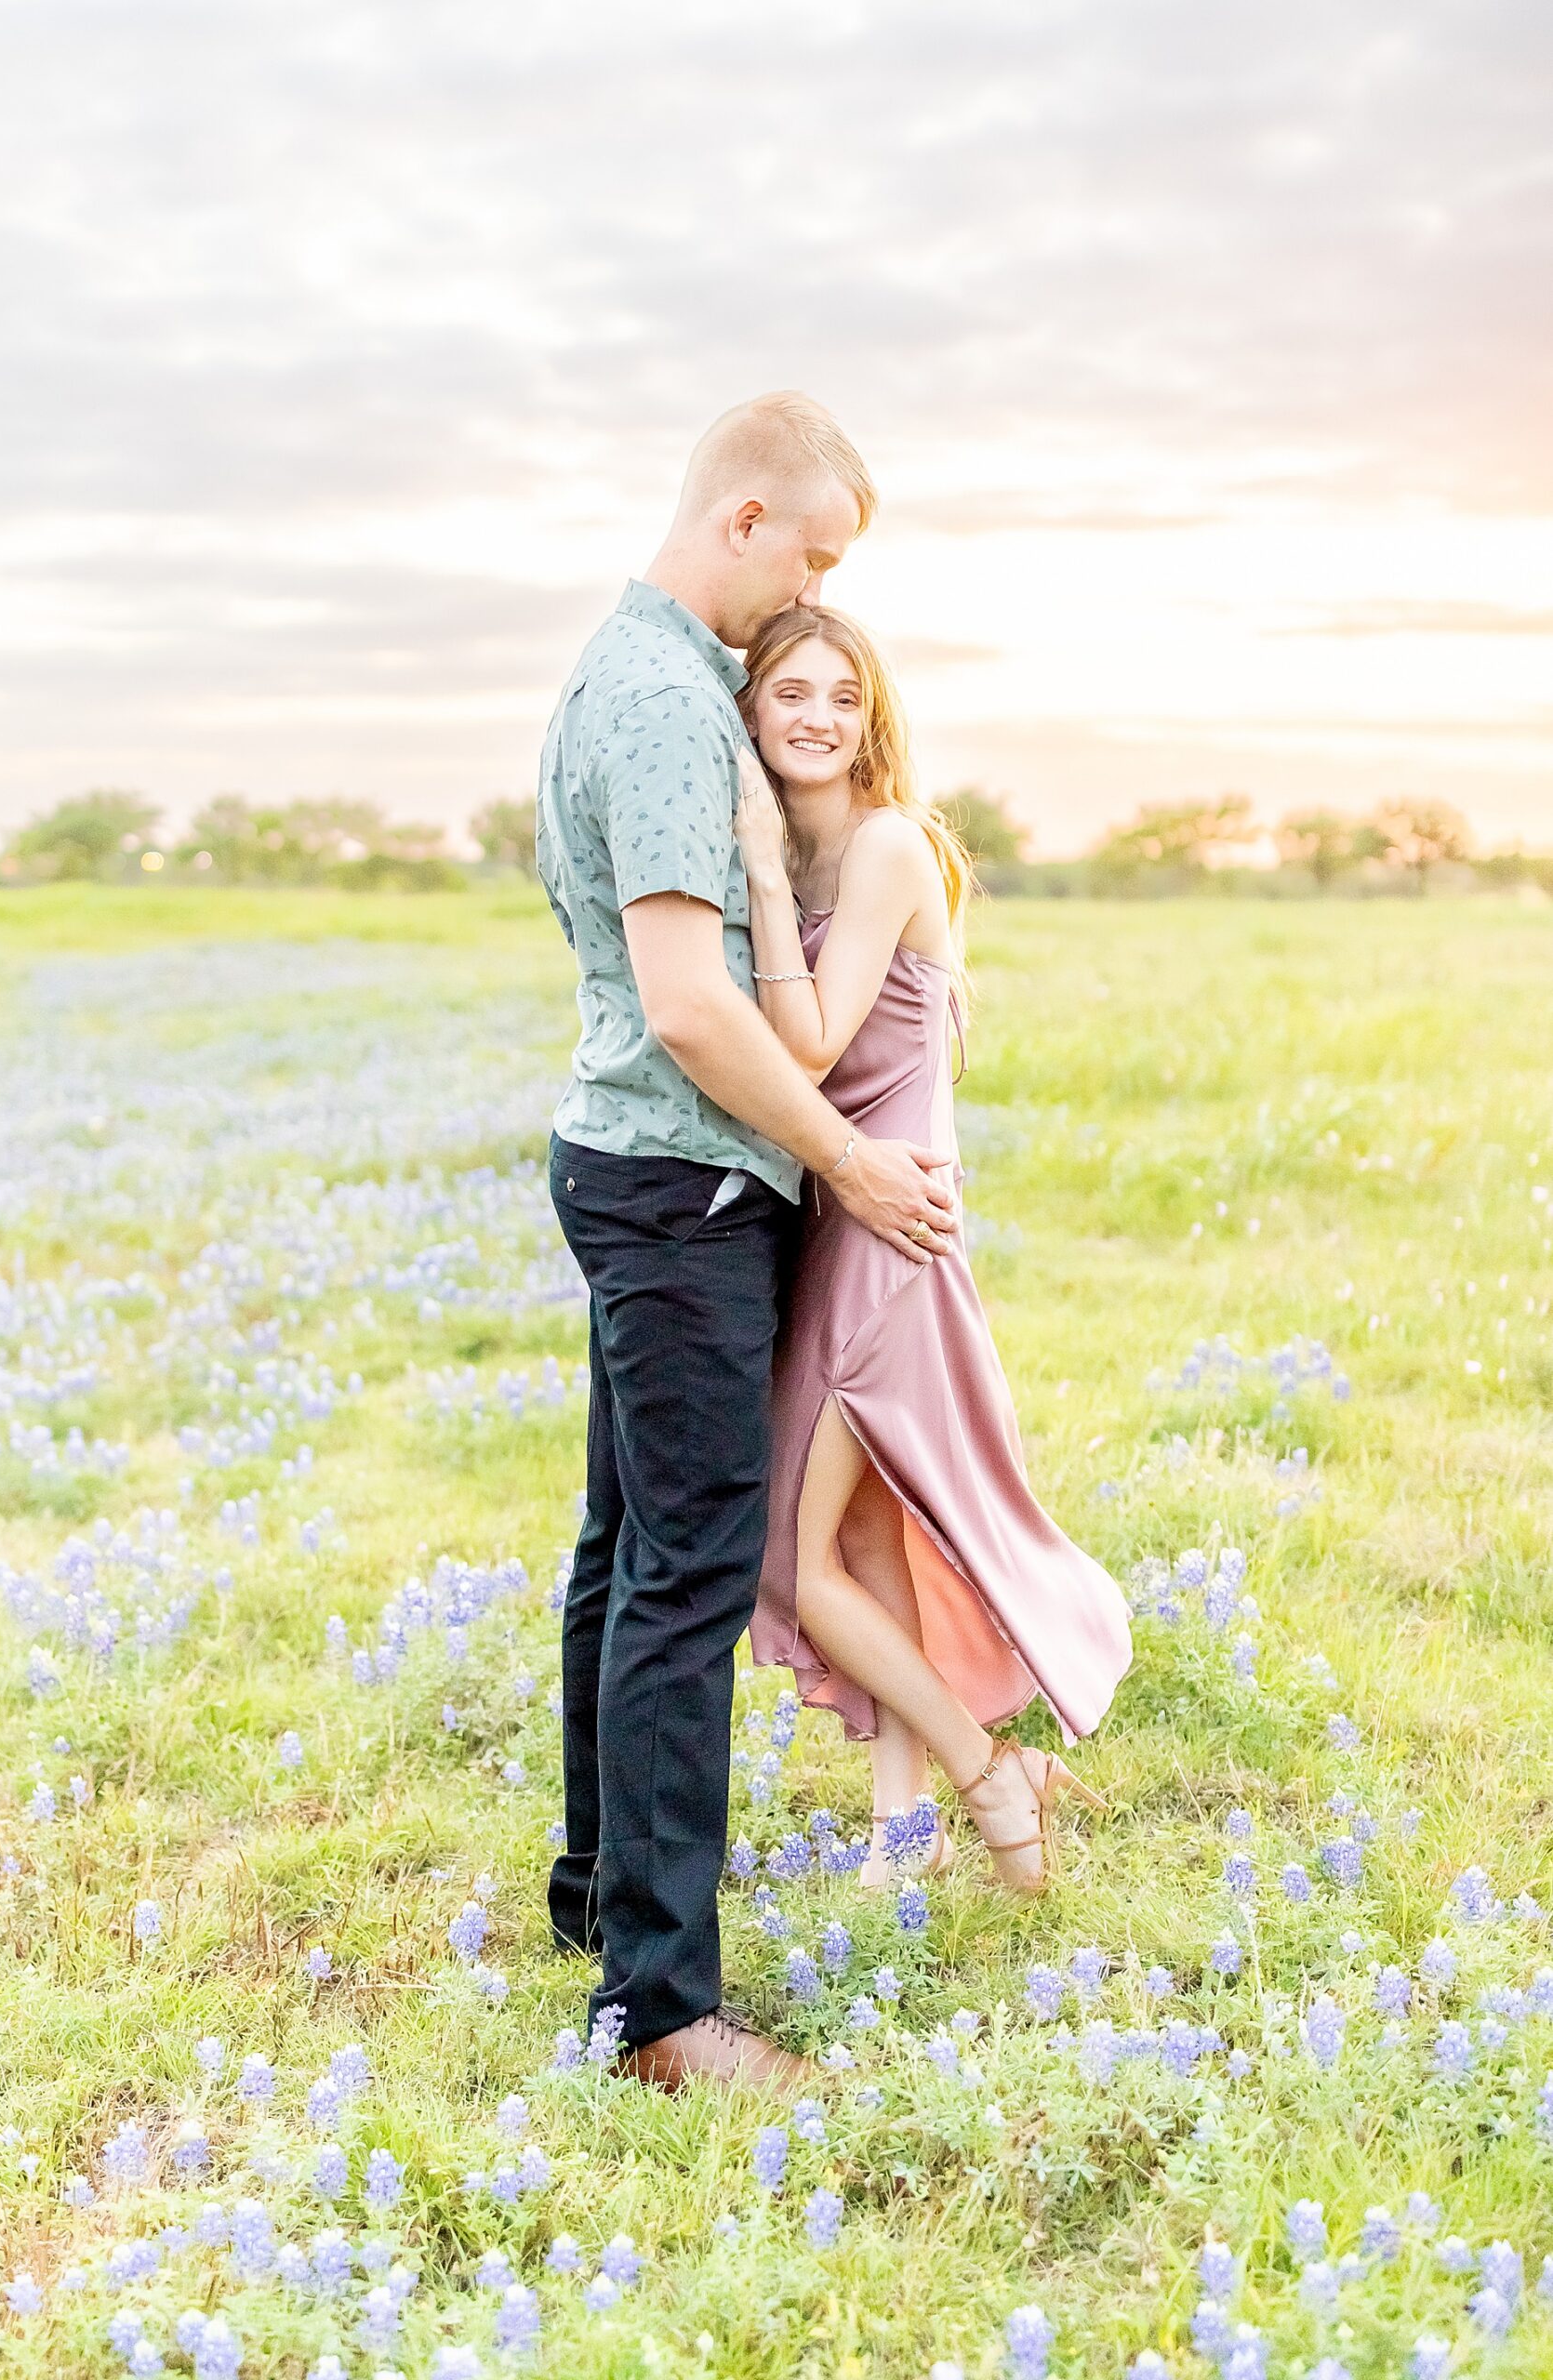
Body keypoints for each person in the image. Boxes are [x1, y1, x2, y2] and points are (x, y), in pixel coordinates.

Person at [535, 392, 958, 2096]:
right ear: (744, 521)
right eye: (815, 556)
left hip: (640, 1163)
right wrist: (851, 1160)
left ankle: (596, 1903)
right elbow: (694, 1006)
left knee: (623, 1545)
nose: (813, 596)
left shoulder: (650, 678)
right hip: (685, 1181)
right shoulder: (654, 699)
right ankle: (659, 2008)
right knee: (687, 1574)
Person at [735, 604, 1132, 1894]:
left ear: (873, 717)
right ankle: (898, 1834)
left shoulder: (891, 846)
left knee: (805, 1557)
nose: (815, 717)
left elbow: (809, 1045)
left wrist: (748, 867)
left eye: (842, 697)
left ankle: (985, 1769)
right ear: (750, 709)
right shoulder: (808, 856)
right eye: (789, 692)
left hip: (892, 1227)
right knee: (859, 1545)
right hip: (844, 1220)